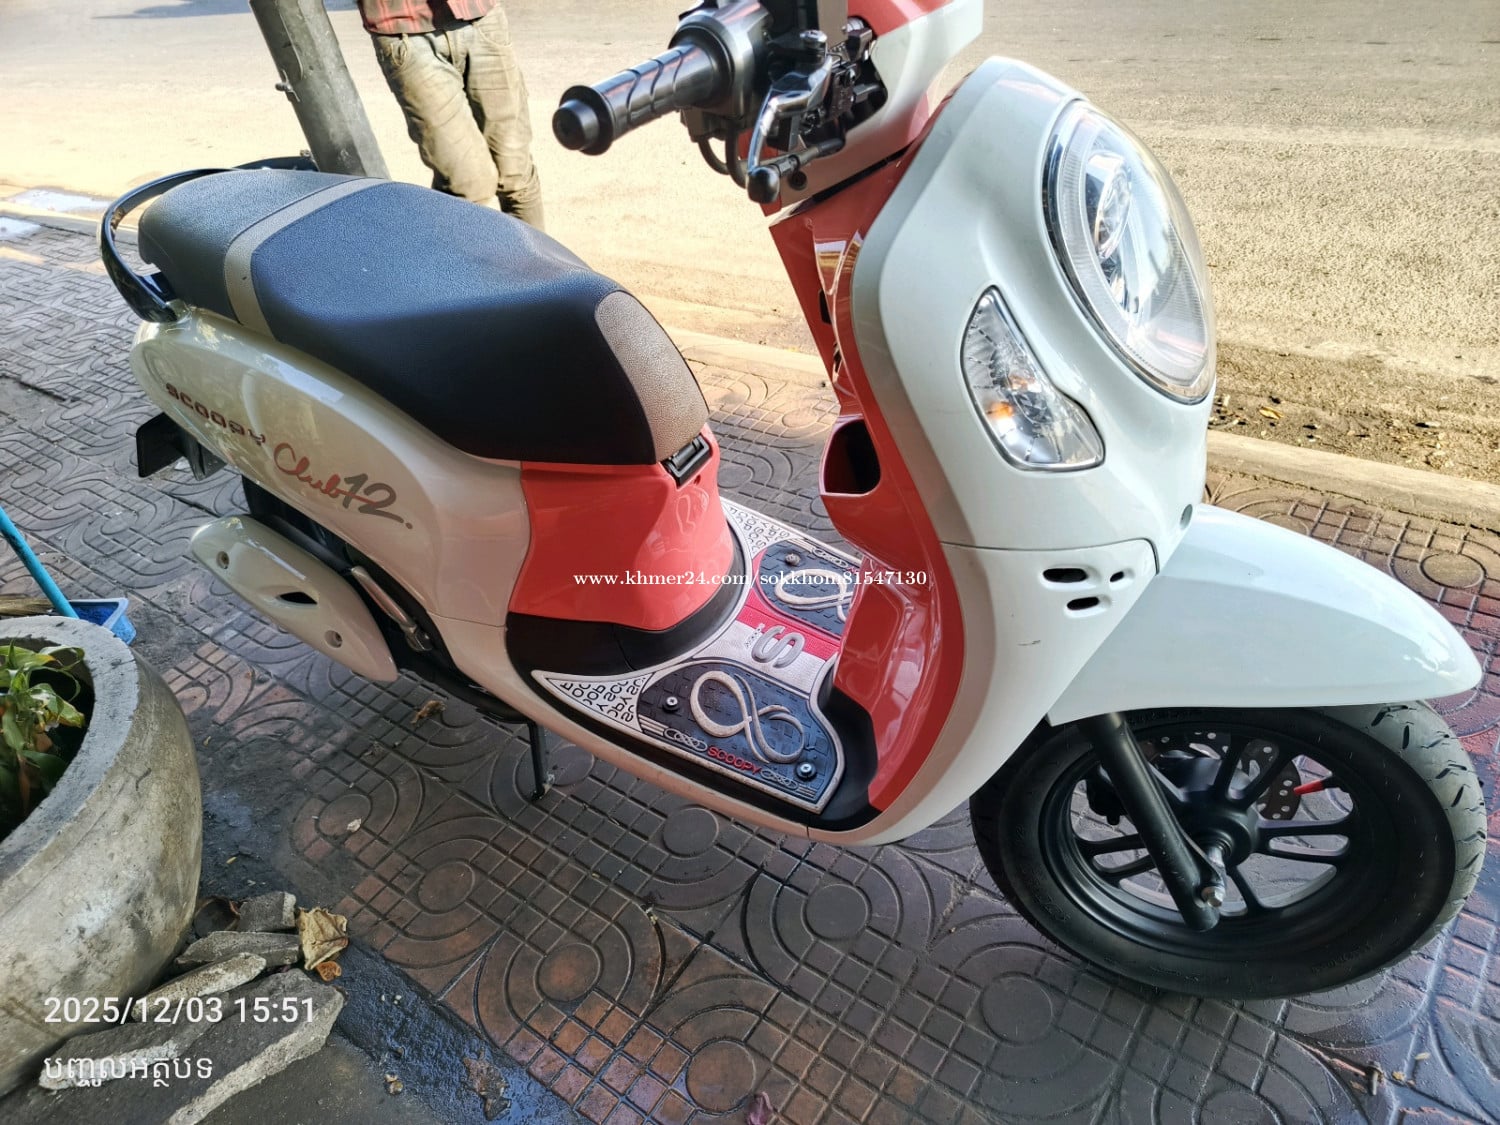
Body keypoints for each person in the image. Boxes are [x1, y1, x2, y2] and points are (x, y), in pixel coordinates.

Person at [356, 0, 544, 229]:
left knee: (517, 176)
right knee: (468, 183)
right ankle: (446, 252)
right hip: (405, 29)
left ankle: (534, 253)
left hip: (480, 15)